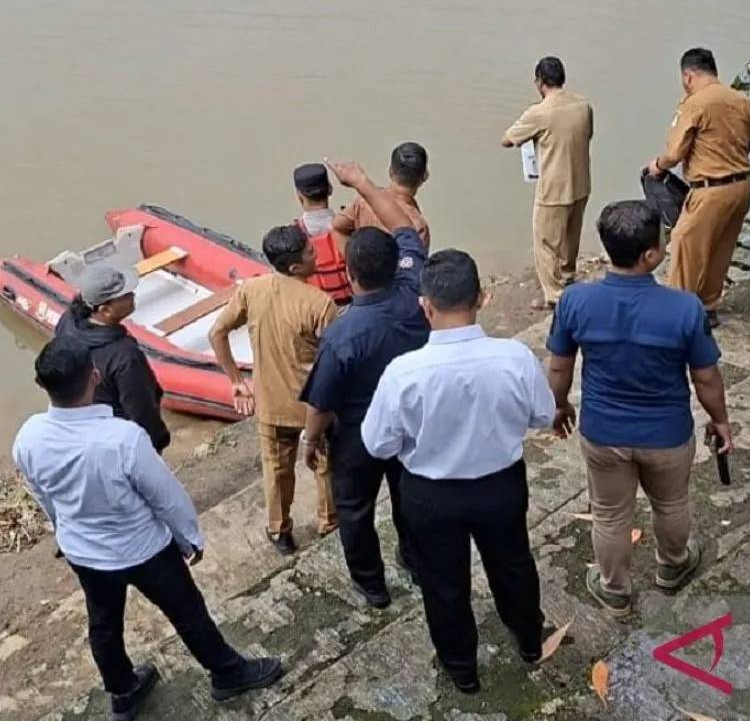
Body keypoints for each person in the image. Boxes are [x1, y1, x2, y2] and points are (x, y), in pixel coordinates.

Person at [13, 338, 282, 721]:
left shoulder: (29, 437)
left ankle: (123, 691)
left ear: (43, 386)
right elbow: (165, 497)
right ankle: (228, 672)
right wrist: (189, 536)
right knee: (188, 613)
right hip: (144, 549)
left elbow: (43, 494)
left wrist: (63, 529)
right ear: (94, 376)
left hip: (84, 552)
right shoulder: (122, 439)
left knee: (103, 624)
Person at [361, 249, 555, 694]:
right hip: (500, 486)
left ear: (425, 305)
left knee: (443, 582)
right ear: (483, 298)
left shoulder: (403, 373)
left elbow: (377, 444)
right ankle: (528, 640)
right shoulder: (514, 357)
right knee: (513, 565)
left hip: (430, 494)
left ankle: (462, 668)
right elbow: (542, 415)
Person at [547, 201, 730, 618]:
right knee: (671, 504)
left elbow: (560, 365)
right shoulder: (685, 308)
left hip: (604, 431)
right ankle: (673, 565)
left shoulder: (575, 301)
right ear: (650, 255)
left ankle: (614, 590)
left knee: (610, 515)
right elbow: (705, 378)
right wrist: (720, 421)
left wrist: (558, 406)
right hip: (666, 433)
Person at [299, 159, 429, 609]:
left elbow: (321, 400)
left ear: (350, 277)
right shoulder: (415, 288)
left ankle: (372, 586)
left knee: (354, 509)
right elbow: (403, 227)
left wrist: (309, 440)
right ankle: (414, 560)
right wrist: (363, 184)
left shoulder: (342, 334)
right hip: (412, 421)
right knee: (408, 495)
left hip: (358, 436)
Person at [208, 225, 339, 555]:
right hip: (312, 407)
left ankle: (280, 531)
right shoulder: (321, 304)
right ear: (295, 266)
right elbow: (337, 361)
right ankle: (329, 523)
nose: (316, 254)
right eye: (311, 252)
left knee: (276, 470)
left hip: (270, 405)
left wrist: (237, 381)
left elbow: (217, 333)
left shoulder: (251, 290)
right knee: (324, 465)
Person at [647, 47, 750, 328]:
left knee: (685, 245)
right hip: (741, 188)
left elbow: (675, 152)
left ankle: (678, 314)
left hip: (710, 189)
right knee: (720, 248)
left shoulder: (694, 104)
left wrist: (658, 166)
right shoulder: (740, 100)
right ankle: (708, 307)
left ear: (688, 76)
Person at [501, 56, 593, 310]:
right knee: (571, 235)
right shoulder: (583, 105)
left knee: (545, 241)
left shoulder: (539, 112)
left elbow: (507, 139)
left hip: (554, 188)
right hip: (581, 183)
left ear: (540, 82)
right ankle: (568, 275)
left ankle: (555, 295)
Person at [55, 265, 170, 452]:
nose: (132, 295)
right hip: (120, 440)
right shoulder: (125, 356)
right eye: (124, 296)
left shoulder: (67, 322)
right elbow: (141, 409)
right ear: (105, 310)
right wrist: (157, 442)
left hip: (87, 430)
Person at [332, 142, 432, 249]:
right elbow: (417, 263)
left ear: (390, 172)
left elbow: (338, 227)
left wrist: (352, 261)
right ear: (424, 176)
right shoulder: (418, 226)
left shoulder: (364, 202)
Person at [292, 162, 352, 305]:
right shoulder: (349, 227)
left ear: (299, 197)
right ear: (330, 189)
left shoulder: (293, 235)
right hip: (351, 306)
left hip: (314, 309)